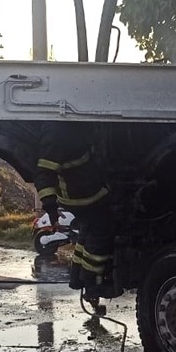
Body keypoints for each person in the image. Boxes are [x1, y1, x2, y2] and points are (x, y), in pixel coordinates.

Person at [33, 123, 113, 302]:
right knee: (101, 234)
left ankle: (78, 279)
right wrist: (50, 207)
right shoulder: (57, 132)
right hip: (82, 194)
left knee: (86, 234)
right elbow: (44, 173)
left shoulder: (65, 126)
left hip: (86, 191)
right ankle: (93, 285)